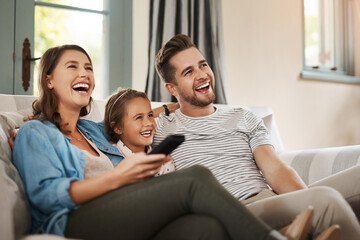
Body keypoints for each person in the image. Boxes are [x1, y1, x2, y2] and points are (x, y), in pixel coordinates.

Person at [12, 44, 315, 240]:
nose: (85, 73)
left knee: (206, 229)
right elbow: (47, 197)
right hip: (73, 221)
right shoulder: (35, 133)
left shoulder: (94, 132)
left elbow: (132, 120)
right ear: (48, 80)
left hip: (121, 214)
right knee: (193, 178)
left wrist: (171, 106)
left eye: (89, 67)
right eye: (73, 67)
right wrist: (118, 177)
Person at [153, 34, 360, 239]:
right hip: (233, 214)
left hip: (268, 201)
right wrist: (164, 109)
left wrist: (306, 202)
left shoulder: (243, 116)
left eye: (203, 65)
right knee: (327, 200)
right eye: (189, 72)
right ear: (172, 88)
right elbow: (122, 118)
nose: (202, 75)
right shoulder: (159, 129)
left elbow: (275, 169)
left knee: (335, 192)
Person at [104, 88, 175, 176]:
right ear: (118, 128)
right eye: (139, 117)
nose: (149, 123)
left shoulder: (164, 160)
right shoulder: (108, 161)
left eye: (150, 115)